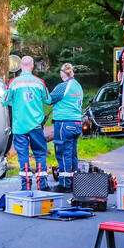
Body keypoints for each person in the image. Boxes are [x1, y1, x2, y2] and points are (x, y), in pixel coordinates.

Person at [2, 55, 51, 191]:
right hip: (36, 125)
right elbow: (48, 100)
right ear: (32, 66)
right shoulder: (40, 82)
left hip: (20, 126)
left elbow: (4, 101)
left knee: (23, 155)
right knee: (40, 153)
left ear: (20, 66)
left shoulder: (13, 82)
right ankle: (42, 184)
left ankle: (26, 186)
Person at [49, 62, 83, 192]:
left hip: (64, 123)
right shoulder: (77, 85)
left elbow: (49, 99)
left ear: (62, 73)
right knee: (72, 153)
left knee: (63, 152)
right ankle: (74, 181)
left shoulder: (63, 86)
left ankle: (64, 184)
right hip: (76, 123)